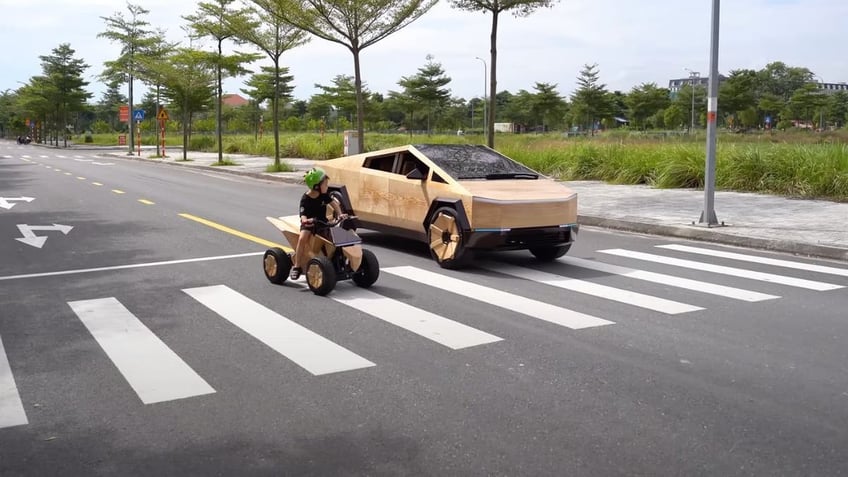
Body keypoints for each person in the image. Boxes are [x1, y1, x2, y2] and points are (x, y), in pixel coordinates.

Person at [290, 167, 346, 280]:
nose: (327, 186)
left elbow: (334, 204)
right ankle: (297, 266)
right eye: (325, 184)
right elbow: (303, 213)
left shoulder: (324, 195)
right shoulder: (306, 198)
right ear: (316, 186)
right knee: (302, 239)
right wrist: (305, 220)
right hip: (309, 224)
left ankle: (335, 260)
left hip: (322, 222)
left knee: (336, 238)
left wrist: (340, 214)